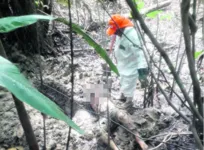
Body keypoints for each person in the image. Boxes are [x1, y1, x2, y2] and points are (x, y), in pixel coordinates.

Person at [106, 14, 149, 110]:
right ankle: (123, 96)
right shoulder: (120, 33)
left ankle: (129, 102)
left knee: (129, 81)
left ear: (121, 28)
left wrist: (142, 69)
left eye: (115, 31)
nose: (115, 33)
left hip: (132, 64)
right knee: (123, 80)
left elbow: (140, 53)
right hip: (123, 62)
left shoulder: (132, 36)